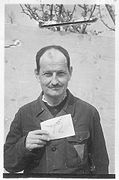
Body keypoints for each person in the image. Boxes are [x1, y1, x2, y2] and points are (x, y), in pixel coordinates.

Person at [4, 45, 109, 176]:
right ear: (37, 74)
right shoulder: (24, 114)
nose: (54, 81)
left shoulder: (88, 113)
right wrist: (24, 145)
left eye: (60, 73)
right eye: (47, 74)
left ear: (70, 72)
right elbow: (8, 164)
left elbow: (101, 165)